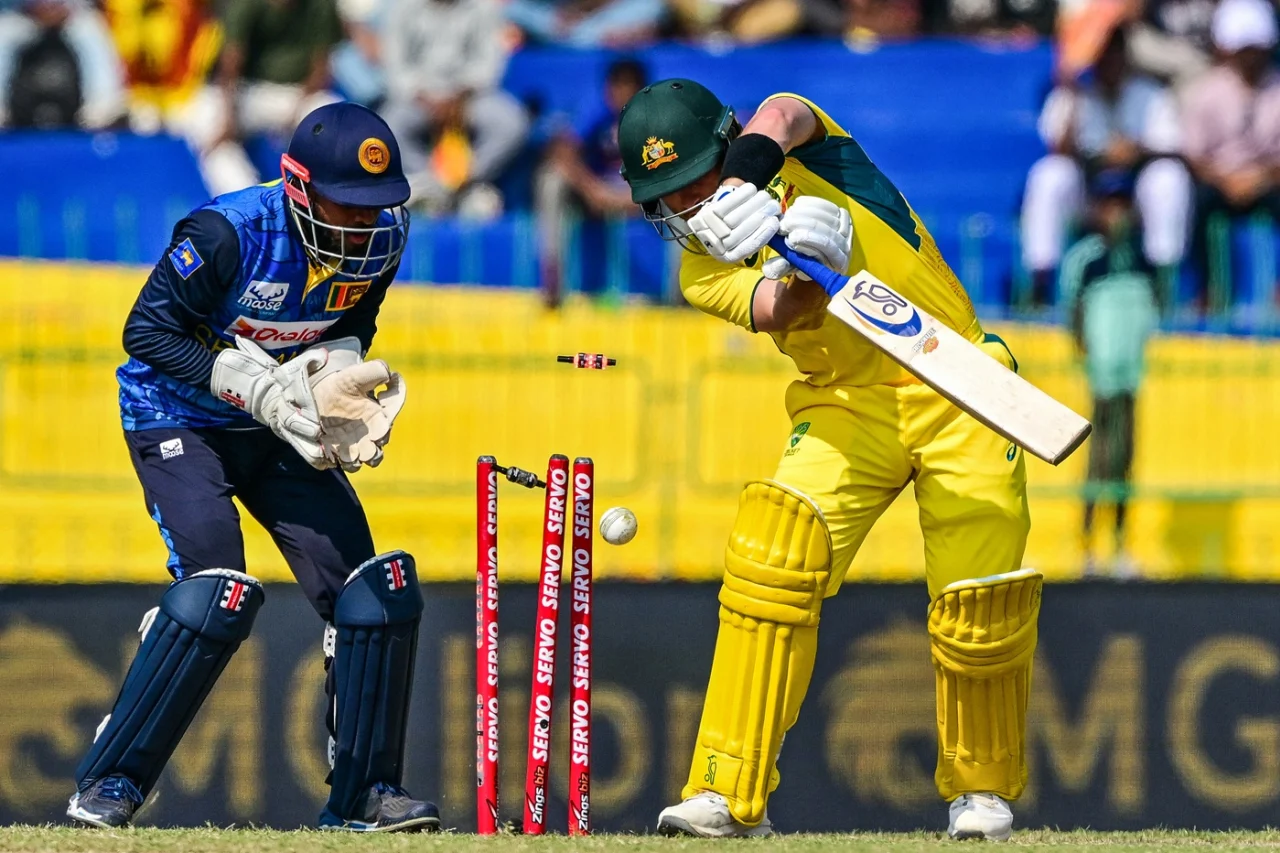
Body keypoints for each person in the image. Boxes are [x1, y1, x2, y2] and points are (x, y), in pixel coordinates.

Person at [617, 79, 1038, 841]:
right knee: (771, 559)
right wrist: (804, 267)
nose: (685, 208)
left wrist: (745, 182)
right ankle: (724, 790)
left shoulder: (812, 148)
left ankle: (980, 791)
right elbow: (785, 311)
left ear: (727, 143)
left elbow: (784, 115)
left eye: (695, 183)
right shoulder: (700, 271)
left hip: (954, 375)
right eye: (668, 198)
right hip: (844, 402)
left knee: (978, 595)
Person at [66, 102, 437, 833]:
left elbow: (352, 323)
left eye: (374, 207)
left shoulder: (383, 240)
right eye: (345, 205)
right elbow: (145, 333)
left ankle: (364, 794)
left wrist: (336, 376)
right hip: (179, 415)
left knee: (372, 592)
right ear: (298, 186)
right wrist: (248, 384)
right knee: (216, 593)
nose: (362, 223)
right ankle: (110, 780)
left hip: (278, 429)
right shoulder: (226, 233)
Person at [1021, 25, 1190, 306]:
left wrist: (1135, 150)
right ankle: (1040, 283)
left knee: (1168, 179)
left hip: (1136, 196)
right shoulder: (1072, 93)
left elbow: (1172, 147)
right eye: (1103, 53)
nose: (1110, 60)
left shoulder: (1151, 94)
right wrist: (1071, 91)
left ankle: (1164, 282)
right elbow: (1058, 147)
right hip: (1088, 194)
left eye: (1116, 52)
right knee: (1049, 176)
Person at [1063, 169, 1157, 579]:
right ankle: (1088, 548)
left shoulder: (1143, 258)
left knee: (1126, 459)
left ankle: (1119, 547)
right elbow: (1075, 315)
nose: (1116, 212)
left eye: (1123, 204)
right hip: (1101, 375)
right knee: (1099, 459)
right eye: (1109, 204)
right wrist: (1089, 357)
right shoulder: (1086, 258)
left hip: (1130, 375)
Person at [379, 0, 529, 218]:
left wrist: (459, 98)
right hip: (418, 98)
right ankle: (431, 185)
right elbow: (395, 67)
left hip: (470, 96)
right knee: (387, 127)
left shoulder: (481, 7)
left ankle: (464, 182)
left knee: (512, 123)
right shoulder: (403, 7)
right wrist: (426, 98)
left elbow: (489, 64)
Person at [177, 0, 342, 196]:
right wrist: (227, 118)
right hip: (248, 92)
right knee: (207, 117)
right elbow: (231, 62)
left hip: (297, 95)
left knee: (331, 113)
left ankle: (326, 199)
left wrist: (296, 113)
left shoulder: (320, 5)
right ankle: (245, 202)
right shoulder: (246, 5)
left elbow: (321, 67)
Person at [1182, 0, 1280, 310]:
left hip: (1268, 179)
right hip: (1219, 180)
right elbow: (1194, 156)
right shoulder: (1207, 91)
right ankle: (1206, 289)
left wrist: (1260, 178)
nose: (1251, 57)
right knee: (1197, 200)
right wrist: (1227, 180)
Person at [536, 57, 645, 307]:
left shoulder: (654, 116)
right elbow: (562, 151)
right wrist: (592, 190)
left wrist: (630, 198)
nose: (623, 94)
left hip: (643, 195)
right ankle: (552, 278)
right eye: (618, 86)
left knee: (688, 189)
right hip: (595, 192)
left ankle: (681, 295)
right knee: (551, 180)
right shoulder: (596, 110)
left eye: (630, 87)